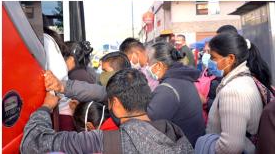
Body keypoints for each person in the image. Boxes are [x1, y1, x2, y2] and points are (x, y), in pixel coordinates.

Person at [20, 69, 194, 153]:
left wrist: (46, 107)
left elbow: (32, 142)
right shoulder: (174, 132)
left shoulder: (100, 141)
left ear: (115, 103)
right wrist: (63, 86)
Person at [200, 32, 274, 153]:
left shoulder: (233, 91)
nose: (209, 61)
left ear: (230, 59)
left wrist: (204, 145)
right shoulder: (247, 78)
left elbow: (230, 148)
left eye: (213, 57)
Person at [146, 42, 205, 146]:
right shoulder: (184, 78)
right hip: (193, 143)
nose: (147, 67)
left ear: (159, 65)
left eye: (149, 63)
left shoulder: (167, 89)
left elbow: (147, 123)